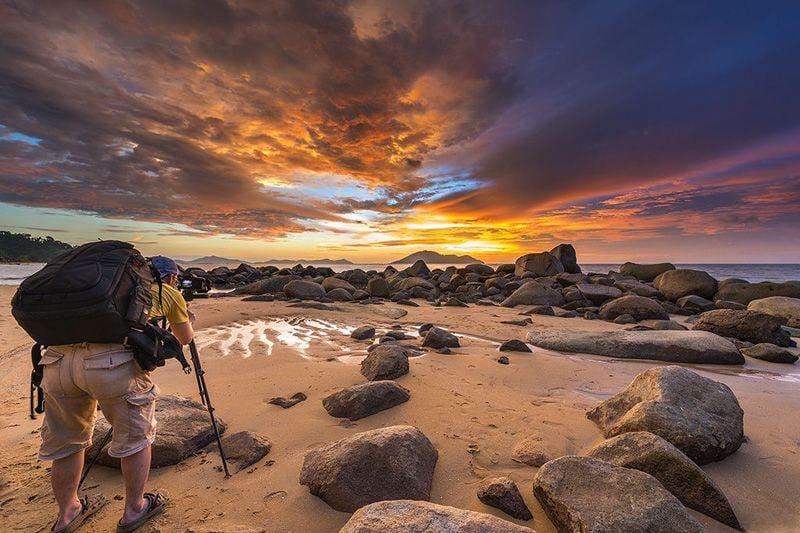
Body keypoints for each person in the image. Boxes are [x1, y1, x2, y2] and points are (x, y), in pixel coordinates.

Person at [39, 255, 193, 533]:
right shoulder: (166, 291)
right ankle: (135, 509)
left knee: (66, 442)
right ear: (170, 277)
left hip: (56, 361)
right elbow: (185, 338)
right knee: (136, 437)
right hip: (111, 364)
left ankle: (68, 513)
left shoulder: (94, 288)